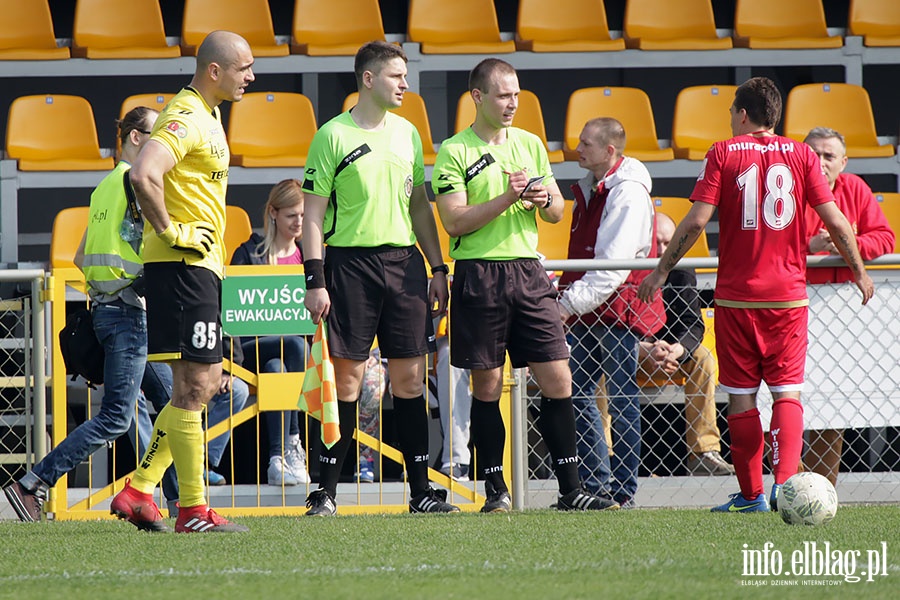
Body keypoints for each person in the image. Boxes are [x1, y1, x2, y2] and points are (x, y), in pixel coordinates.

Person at [637, 77, 874, 513]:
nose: (729, 119)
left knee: (742, 396)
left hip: (736, 298)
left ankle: (751, 496)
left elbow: (693, 223)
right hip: (787, 298)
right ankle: (788, 492)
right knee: (787, 394)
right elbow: (838, 223)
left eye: (731, 112)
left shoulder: (723, 153)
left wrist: (660, 271)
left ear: (743, 115)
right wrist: (859, 271)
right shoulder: (803, 155)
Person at [432, 58, 619, 513]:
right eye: (503, 94)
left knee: (558, 378)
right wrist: (508, 197)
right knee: (488, 385)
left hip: (529, 273)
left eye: (516, 93)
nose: (513, 102)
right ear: (478, 97)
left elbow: (556, 211)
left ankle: (571, 491)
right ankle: (496, 492)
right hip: (479, 274)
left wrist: (542, 197)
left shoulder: (531, 144)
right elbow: (454, 221)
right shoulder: (454, 150)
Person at [301, 41, 456, 515]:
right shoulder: (331, 135)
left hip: (404, 266)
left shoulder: (409, 133)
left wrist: (437, 267)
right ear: (368, 79)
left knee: (409, 382)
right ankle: (325, 492)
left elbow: (417, 207)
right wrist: (315, 279)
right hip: (348, 267)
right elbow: (311, 216)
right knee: (345, 383)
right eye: (396, 76)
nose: (405, 85)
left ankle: (421, 495)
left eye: (405, 76)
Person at [109, 30, 255, 533]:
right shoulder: (187, 115)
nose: (251, 78)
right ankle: (192, 509)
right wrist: (171, 230)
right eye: (244, 69)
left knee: (206, 382)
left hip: (200, 267)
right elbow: (143, 173)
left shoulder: (208, 114)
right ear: (214, 71)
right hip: (183, 267)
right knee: (195, 385)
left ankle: (140, 489)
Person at [3, 107, 161, 524]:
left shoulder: (104, 188)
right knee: (115, 418)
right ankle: (31, 484)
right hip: (130, 315)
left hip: (110, 312)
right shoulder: (136, 183)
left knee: (174, 405)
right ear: (135, 138)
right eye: (156, 133)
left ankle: (178, 503)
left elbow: (79, 255)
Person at [557, 117, 665, 508]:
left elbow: (611, 268)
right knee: (585, 394)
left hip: (616, 310)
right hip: (596, 308)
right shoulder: (597, 188)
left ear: (609, 151)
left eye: (585, 143)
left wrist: (565, 304)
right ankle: (601, 485)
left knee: (617, 399)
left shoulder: (627, 193)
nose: (577, 149)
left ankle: (619, 489)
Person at [801, 126, 894, 486]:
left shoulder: (855, 188)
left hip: (843, 315)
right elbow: (769, 248)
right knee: (784, 400)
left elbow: (885, 238)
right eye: (814, 154)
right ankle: (785, 483)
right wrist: (810, 245)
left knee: (830, 403)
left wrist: (845, 242)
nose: (821, 162)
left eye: (829, 156)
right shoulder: (790, 189)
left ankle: (821, 490)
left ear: (844, 161)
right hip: (796, 306)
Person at [637, 212, 733, 477]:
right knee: (601, 357)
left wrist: (678, 350)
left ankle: (705, 453)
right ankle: (608, 456)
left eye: (669, 243)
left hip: (670, 355)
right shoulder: (624, 266)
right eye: (657, 243)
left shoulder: (681, 269)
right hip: (630, 352)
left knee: (702, 358)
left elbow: (692, 323)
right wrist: (643, 349)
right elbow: (608, 323)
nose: (664, 250)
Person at [231, 179, 310, 487]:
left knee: (278, 366)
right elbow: (231, 316)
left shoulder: (308, 258)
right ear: (273, 213)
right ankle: (294, 439)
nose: (299, 222)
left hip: (292, 361)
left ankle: (277, 459)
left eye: (303, 215)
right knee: (291, 345)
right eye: (292, 215)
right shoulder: (248, 254)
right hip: (249, 351)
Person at [133, 338, 251, 517]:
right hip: (147, 344)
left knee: (181, 402)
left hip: (185, 352)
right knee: (169, 402)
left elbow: (219, 322)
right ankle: (160, 493)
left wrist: (230, 366)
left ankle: (194, 471)